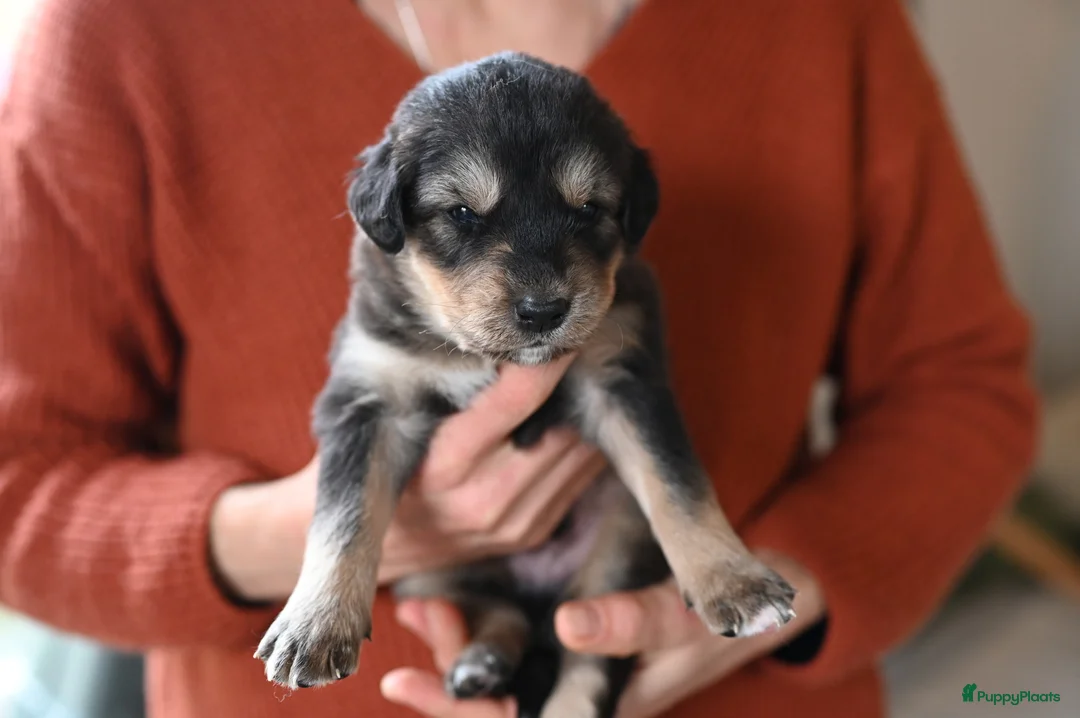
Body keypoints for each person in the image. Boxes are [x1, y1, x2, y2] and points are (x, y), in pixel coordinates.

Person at [0, 0, 1037, 717]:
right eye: (461, 218)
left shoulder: (823, 20)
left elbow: (966, 386)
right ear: (388, 217)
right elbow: (18, 478)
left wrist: (779, 594)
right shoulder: (123, 30)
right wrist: (294, 548)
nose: (544, 287)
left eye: (593, 214)